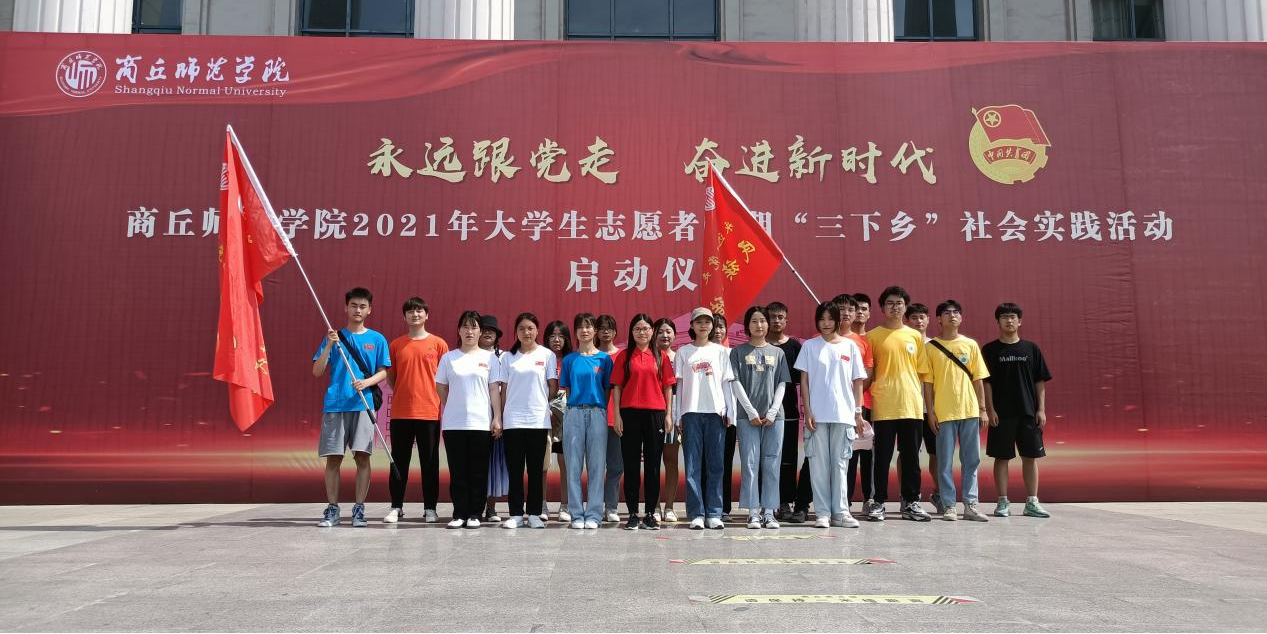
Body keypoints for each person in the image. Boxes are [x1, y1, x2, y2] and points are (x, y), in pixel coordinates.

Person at [313, 287, 390, 528]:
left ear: (369, 310)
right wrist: (328, 345)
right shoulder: (334, 337)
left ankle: (359, 509)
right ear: (346, 307)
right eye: (354, 305)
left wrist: (366, 382)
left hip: (363, 404)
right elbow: (317, 371)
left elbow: (384, 372)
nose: (358, 309)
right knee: (333, 458)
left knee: (363, 457)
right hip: (335, 405)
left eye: (362, 306)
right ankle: (332, 509)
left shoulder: (377, 339)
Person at [795, 302, 868, 529]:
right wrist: (808, 410)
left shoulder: (850, 346)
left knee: (840, 465)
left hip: (843, 415)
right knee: (818, 466)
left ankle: (841, 512)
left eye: (830, 319)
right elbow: (804, 381)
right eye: (822, 319)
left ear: (838, 320)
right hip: (817, 416)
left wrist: (857, 412)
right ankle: (823, 513)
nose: (826, 323)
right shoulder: (810, 346)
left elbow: (858, 381)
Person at [919, 300, 990, 522]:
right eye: (947, 312)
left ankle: (971, 504)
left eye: (956, 312)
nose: (952, 315)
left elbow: (978, 379)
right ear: (938, 319)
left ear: (961, 317)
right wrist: (930, 412)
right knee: (944, 461)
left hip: (969, 411)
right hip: (943, 413)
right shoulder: (930, 347)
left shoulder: (970, 344)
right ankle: (949, 505)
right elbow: (927, 384)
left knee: (971, 460)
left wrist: (983, 409)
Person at [865, 286, 932, 522]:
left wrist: (928, 407)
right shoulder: (872, 336)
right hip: (883, 405)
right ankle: (878, 502)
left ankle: (911, 502)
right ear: (882, 308)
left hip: (911, 405)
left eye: (899, 303)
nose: (895, 307)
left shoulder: (914, 336)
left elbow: (923, 373)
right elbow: (867, 373)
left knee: (911, 457)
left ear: (905, 307)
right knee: (882, 458)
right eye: (890, 303)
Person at [982, 303, 1053, 518]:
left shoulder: (1031, 349)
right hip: (1001, 414)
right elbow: (986, 383)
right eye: (1004, 317)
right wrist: (990, 409)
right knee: (1001, 458)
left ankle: (1032, 502)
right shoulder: (990, 350)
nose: (1009, 320)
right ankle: (1002, 502)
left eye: (1013, 317)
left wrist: (1041, 409)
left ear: (1020, 321)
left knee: (1030, 457)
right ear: (998, 322)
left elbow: (1040, 381)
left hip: (1028, 413)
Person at [384, 296, 448, 524]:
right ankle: (396, 506)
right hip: (401, 412)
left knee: (429, 462)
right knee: (399, 461)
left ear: (426, 315)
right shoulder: (396, 344)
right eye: (410, 311)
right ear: (404, 316)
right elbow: (392, 378)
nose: (415, 314)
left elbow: (444, 379)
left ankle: (430, 508)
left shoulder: (439, 344)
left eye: (419, 311)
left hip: (429, 412)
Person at [436, 311, 503, 529]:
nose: (469, 331)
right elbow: (441, 388)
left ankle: (475, 513)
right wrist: (454, 405)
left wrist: (497, 417)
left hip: (480, 423)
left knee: (478, 471)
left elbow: (494, 389)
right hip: (454, 424)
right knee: (458, 471)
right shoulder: (449, 358)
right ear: (459, 330)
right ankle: (459, 513)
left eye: (474, 327)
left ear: (480, 332)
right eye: (465, 326)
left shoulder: (490, 359)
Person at [611, 314, 676, 530]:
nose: (642, 332)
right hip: (629, 414)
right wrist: (617, 415)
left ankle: (650, 513)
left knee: (653, 465)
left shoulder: (660, 356)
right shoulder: (624, 356)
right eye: (637, 328)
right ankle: (632, 513)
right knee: (630, 464)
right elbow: (617, 387)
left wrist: (668, 414)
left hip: (655, 414)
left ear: (652, 331)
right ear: (631, 332)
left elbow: (668, 386)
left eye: (646, 328)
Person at [730, 306, 791, 529]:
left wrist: (773, 411)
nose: (759, 325)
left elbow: (782, 383)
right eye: (754, 321)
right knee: (750, 462)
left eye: (762, 321)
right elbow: (735, 383)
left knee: (772, 462)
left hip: (775, 417)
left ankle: (769, 511)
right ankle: (753, 511)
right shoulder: (737, 352)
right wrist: (751, 412)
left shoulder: (778, 353)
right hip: (747, 417)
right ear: (747, 325)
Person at [675, 307, 736, 530]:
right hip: (691, 413)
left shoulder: (721, 352)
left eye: (707, 322)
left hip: (715, 413)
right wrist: (678, 415)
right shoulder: (684, 352)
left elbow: (726, 384)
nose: (703, 326)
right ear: (692, 325)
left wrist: (730, 411)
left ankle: (714, 512)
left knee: (716, 465)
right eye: (699, 322)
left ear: (712, 326)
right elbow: (679, 386)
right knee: (692, 465)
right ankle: (696, 513)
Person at [497, 313, 558, 529]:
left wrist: (539, 402)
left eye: (530, 328)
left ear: (537, 330)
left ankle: (534, 513)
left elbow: (552, 387)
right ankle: (515, 514)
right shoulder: (507, 357)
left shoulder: (547, 355)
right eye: (522, 328)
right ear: (516, 332)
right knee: (515, 470)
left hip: (538, 421)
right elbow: (503, 390)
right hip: (513, 421)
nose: (526, 332)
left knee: (535, 469)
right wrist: (500, 417)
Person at [560, 313, 615, 529]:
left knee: (597, 465)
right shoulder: (569, 360)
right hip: (574, 413)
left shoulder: (604, 359)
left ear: (595, 331)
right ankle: (576, 514)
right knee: (573, 465)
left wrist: (597, 407)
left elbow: (607, 390)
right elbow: (567, 389)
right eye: (580, 327)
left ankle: (593, 514)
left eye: (589, 327)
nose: (585, 331)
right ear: (575, 332)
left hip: (597, 413)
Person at [766, 302, 805, 523]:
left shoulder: (795, 347)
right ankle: (766, 503)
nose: (776, 321)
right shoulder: (759, 346)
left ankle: (785, 502)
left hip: (788, 412)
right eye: (772, 316)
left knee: (788, 460)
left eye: (780, 317)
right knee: (767, 459)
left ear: (786, 320)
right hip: (761, 414)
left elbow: (803, 381)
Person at [904, 302, 942, 512]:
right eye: (914, 318)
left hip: (934, 410)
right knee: (908, 454)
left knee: (937, 454)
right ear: (907, 320)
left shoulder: (936, 345)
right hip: (909, 408)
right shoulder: (902, 342)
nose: (919, 321)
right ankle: (907, 495)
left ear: (929, 320)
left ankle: (939, 493)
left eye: (922, 317)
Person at [479, 315, 509, 523]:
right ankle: (474, 506)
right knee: (476, 462)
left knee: (494, 462)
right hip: (477, 414)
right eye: (484, 329)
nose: (488, 332)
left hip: (500, 415)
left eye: (493, 330)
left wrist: (501, 416)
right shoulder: (467, 355)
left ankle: (491, 508)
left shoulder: (505, 357)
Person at [707, 312, 738, 521]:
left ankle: (723, 508)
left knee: (724, 463)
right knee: (705, 463)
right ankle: (705, 506)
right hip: (705, 415)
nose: (718, 331)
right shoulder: (700, 352)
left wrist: (732, 414)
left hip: (728, 417)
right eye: (715, 326)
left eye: (721, 327)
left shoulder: (733, 354)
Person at [595, 314, 624, 523]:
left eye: (610, 328)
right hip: (594, 417)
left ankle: (611, 506)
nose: (606, 331)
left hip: (616, 419)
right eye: (602, 328)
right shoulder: (591, 355)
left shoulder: (622, 356)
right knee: (595, 466)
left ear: (615, 332)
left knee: (615, 465)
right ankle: (595, 506)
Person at [544, 320, 573, 522]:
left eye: (561, 336)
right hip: (543, 414)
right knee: (543, 462)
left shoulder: (571, 360)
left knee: (566, 462)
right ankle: (541, 504)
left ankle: (565, 505)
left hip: (567, 415)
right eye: (552, 336)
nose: (556, 340)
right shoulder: (541, 358)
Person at [653, 318, 682, 523]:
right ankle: (654, 506)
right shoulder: (649, 357)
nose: (665, 335)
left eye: (668, 331)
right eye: (661, 331)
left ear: (675, 335)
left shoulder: (680, 357)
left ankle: (669, 506)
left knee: (671, 461)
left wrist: (676, 415)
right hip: (653, 412)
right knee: (653, 461)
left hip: (675, 412)